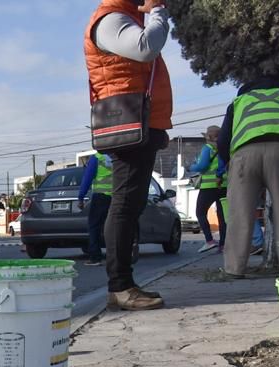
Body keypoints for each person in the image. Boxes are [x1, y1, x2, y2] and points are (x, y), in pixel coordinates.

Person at [85, 0, 173, 311]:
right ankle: (120, 287)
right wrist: (158, 10)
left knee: (130, 203)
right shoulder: (110, 19)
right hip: (127, 122)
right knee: (124, 204)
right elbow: (145, 47)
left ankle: (123, 284)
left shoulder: (124, 17)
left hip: (139, 121)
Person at [217, 74, 279, 278]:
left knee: (240, 213)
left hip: (245, 154)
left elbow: (223, 138)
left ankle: (234, 269)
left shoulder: (239, 102)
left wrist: (228, 162)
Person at [189, 125, 228, 253]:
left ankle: (209, 241)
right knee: (222, 217)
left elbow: (202, 166)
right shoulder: (226, 148)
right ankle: (223, 245)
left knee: (200, 212)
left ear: (210, 136)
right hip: (224, 185)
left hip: (209, 187)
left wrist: (192, 167)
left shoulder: (208, 148)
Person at [77, 151, 113, 265]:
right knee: (115, 226)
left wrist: (81, 197)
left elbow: (87, 178)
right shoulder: (117, 156)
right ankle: (118, 255)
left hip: (101, 196)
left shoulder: (97, 158)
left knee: (94, 226)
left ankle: (95, 257)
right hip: (116, 196)